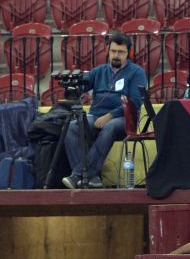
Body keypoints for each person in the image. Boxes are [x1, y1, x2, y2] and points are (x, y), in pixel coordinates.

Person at [62, 33, 147, 190]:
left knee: (110, 126)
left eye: (121, 52)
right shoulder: (99, 71)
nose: (116, 55)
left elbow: (135, 102)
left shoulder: (137, 72)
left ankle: (79, 175)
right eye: (113, 51)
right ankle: (92, 177)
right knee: (73, 127)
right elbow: (82, 85)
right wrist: (73, 86)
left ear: (129, 53)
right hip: (96, 116)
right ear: (108, 51)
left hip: (124, 119)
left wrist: (110, 116)